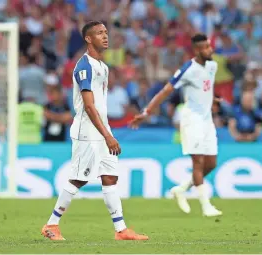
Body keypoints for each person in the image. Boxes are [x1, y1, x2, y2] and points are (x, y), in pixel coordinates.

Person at [41, 21, 148, 241]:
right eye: (99, 33)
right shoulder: (84, 66)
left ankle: (121, 230)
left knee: (110, 177)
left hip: (102, 129)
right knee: (78, 179)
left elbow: (99, 104)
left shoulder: (103, 67)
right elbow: (89, 106)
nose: (105, 36)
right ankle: (51, 225)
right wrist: (107, 135)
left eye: (106, 32)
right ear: (88, 39)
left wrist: (107, 132)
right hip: (87, 132)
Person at [130, 34, 223, 217]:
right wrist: (146, 112)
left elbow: (206, 88)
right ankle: (206, 207)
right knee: (198, 162)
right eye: (205, 47)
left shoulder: (213, 66)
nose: (210, 49)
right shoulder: (188, 69)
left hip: (207, 120)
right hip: (191, 120)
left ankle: (181, 189)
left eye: (209, 46)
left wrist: (213, 99)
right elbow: (166, 91)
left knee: (211, 164)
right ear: (197, 50)